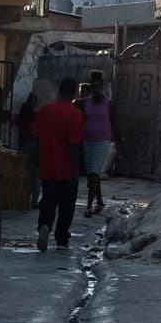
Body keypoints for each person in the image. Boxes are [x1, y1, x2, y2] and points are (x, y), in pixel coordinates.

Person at [31, 77, 86, 252]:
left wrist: (35, 160)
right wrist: (76, 169)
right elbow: (74, 144)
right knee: (66, 204)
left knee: (48, 199)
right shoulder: (75, 114)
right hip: (66, 167)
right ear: (75, 92)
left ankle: (45, 225)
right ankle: (61, 238)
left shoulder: (44, 111)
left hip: (47, 164)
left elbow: (37, 138)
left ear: (59, 90)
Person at [79, 70, 115, 216]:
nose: (96, 90)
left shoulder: (108, 104)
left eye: (99, 87)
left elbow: (115, 122)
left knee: (94, 172)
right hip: (88, 140)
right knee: (92, 174)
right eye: (94, 87)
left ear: (102, 87)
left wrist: (119, 141)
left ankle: (88, 206)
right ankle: (99, 201)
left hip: (103, 140)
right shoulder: (84, 103)